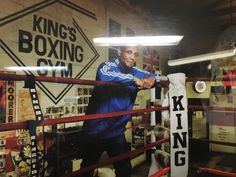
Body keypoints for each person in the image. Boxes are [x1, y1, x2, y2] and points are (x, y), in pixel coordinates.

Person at [80, 46, 160, 177]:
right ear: (119, 52)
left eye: (136, 53)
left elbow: (157, 76)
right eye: (129, 52)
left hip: (116, 133)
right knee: (86, 169)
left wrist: (152, 79)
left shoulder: (135, 70)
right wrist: (132, 79)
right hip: (96, 131)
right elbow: (104, 75)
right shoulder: (107, 65)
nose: (133, 57)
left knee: (124, 169)